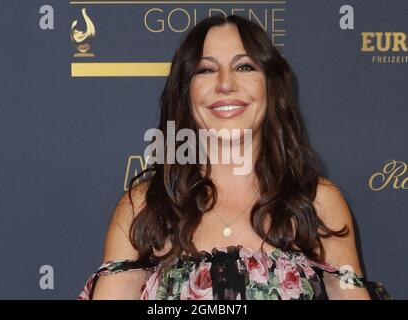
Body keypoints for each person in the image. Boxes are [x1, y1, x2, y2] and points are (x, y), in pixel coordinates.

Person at [78, 14, 371, 300]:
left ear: (271, 86)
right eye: (205, 69)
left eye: (244, 67)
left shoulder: (318, 203)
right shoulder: (143, 209)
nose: (225, 84)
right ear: (185, 92)